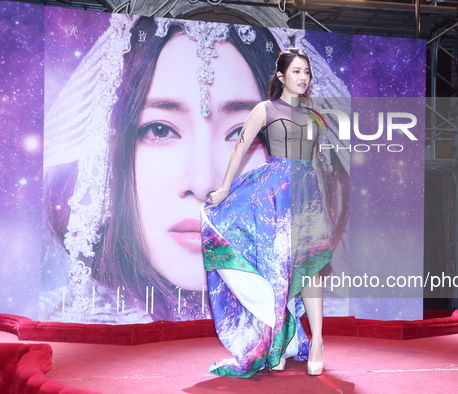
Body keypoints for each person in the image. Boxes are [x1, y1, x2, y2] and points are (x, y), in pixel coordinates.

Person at [41, 16, 284, 323]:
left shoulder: (325, 322)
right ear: (109, 152)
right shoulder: (59, 325)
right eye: (159, 130)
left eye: (243, 134)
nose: (204, 183)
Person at [201, 48, 330, 378]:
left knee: (311, 268)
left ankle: (317, 343)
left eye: (307, 73)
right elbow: (239, 150)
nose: (303, 78)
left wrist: (320, 207)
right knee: (279, 272)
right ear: (282, 76)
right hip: (274, 200)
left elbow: (313, 165)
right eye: (297, 71)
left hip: (307, 199)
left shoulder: (314, 118)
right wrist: (225, 189)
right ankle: (278, 342)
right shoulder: (265, 109)